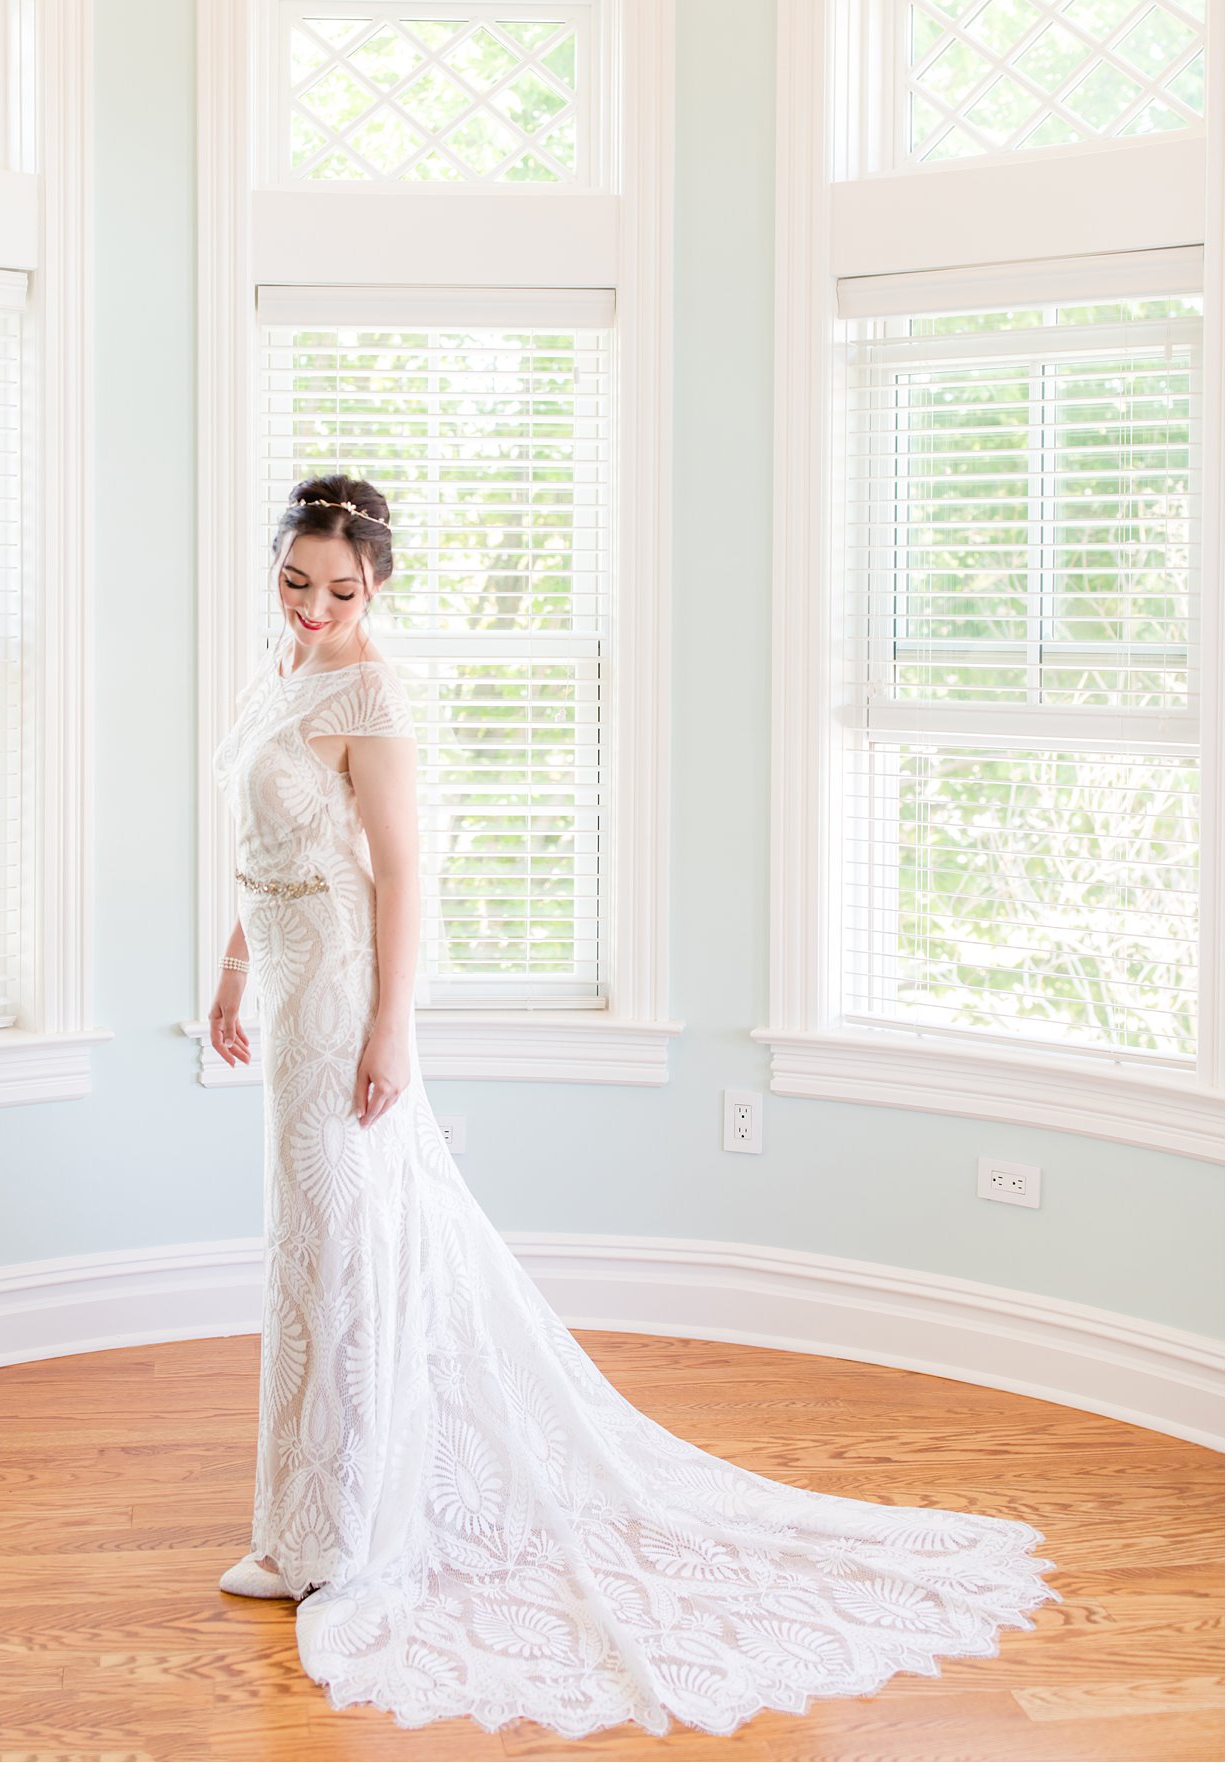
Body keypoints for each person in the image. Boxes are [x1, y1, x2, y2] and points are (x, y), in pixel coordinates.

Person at [208, 472, 1061, 1741]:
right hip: (278, 988)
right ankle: (301, 1515)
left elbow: (400, 877)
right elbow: (269, 848)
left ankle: (338, 1533)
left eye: (341, 588)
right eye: (295, 581)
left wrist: (390, 1029)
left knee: (342, 1249)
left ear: (379, 583)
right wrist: (226, 970)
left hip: (338, 999)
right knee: (305, 1254)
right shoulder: (278, 673)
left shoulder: (368, 692)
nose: (316, 606)